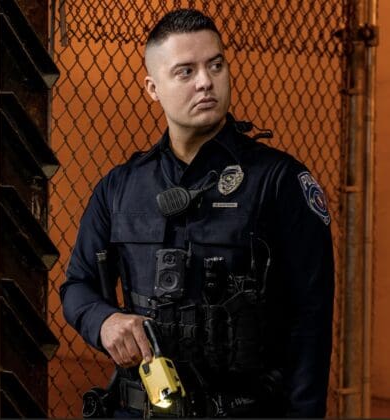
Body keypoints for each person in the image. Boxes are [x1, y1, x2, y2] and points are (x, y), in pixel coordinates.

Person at [60, 8, 334, 418]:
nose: (206, 81)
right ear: (153, 88)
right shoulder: (120, 186)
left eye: (215, 65)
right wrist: (104, 321)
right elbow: (77, 285)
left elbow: (311, 319)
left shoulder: (279, 182)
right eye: (185, 71)